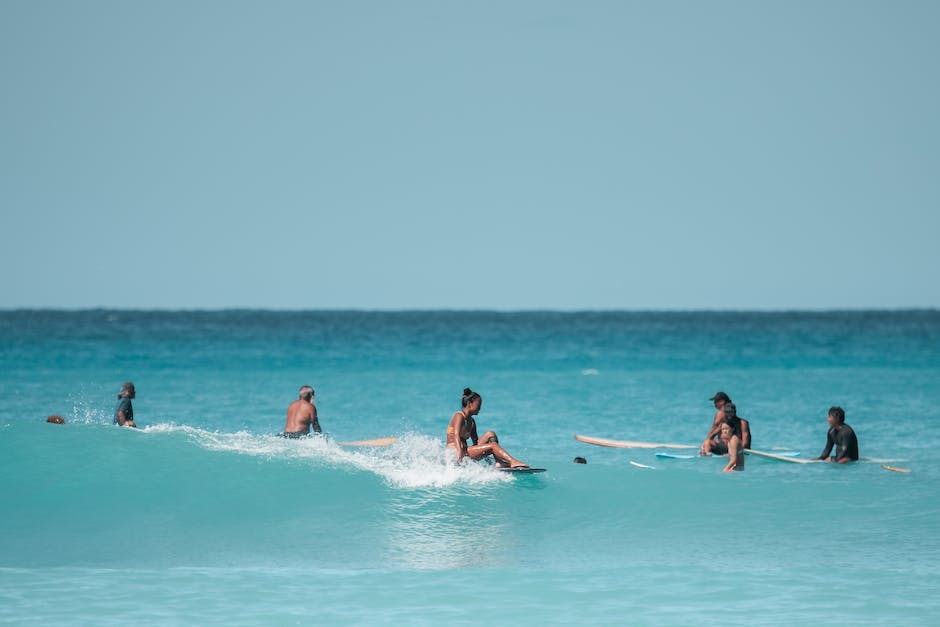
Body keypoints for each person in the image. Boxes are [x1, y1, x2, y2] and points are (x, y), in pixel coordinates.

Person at [446, 388, 528, 468]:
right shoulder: (459, 416)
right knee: (492, 445)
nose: (480, 408)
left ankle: (499, 462)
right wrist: (459, 456)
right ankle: (512, 461)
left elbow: (476, 443)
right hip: (455, 452)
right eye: (478, 404)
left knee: (490, 434)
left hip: (466, 451)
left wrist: (487, 458)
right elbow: (456, 436)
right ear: (469, 403)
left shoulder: (472, 422)